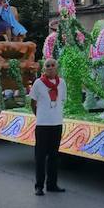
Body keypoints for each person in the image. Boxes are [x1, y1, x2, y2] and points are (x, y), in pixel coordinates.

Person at [30, 58, 67, 196]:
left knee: (54, 156)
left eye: (53, 65)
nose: (50, 67)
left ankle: (52, 184)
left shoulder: (62, 83)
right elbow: (33, 103)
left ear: (57, 67)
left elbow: (62, 100)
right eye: (48, 65)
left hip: (56, 124)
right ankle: (39, 186)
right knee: (40, 157)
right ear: (44, 68)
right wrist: (39, 115)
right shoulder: (38, 83)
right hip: (43, 125)